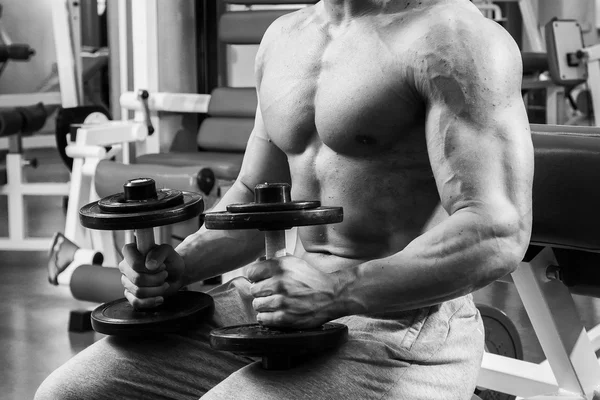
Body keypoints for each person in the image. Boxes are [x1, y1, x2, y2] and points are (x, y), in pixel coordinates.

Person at [36, 0, 533, 399]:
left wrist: (341, 288)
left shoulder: (454, 36)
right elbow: (255, 199)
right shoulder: (284, 38)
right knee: (70, 391)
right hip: (277, 306)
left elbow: (496, 230)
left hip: (402, 323)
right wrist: (179, 267)